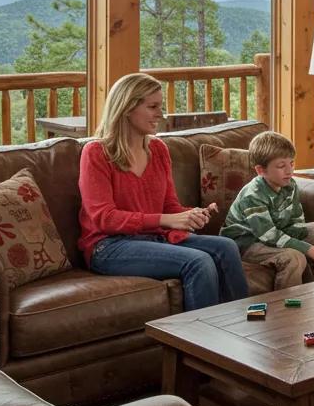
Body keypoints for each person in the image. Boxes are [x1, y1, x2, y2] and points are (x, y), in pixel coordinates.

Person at [78, 73, 248, 311]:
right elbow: (104, 218)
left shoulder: (158, 150)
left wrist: (191, 215)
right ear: (127, 108)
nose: (161, 114)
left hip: (154, 237)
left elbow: (169, 207)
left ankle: (242, 329)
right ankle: (200, 346)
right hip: (109, 246)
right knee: (198, 262)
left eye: (161, 106)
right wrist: (168, 219)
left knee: (226, 247)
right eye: (153, 107)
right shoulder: (96, 153)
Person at [222, 130, 314, 286]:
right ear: (261, 170)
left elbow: (296, 221)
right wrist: (310, 250)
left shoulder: (290, 185)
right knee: (294, 258)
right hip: (247, 243)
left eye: (291, 163)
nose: (289, 171)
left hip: (278, 233)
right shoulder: (252, 195)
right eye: (281, 166)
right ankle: (287, 307)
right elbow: (269, 235)